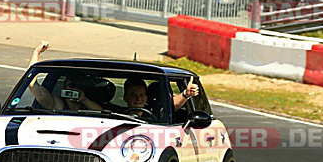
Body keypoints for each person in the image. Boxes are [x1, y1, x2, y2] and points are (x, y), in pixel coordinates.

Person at [27, 41, 199, 115]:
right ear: (125, 97)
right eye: (70, 85)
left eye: (141, 95)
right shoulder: (58, 105)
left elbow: (171, 108)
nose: (138, 99)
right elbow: (33, 85)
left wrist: (185, 94)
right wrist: (36, 54)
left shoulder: (155, 113)